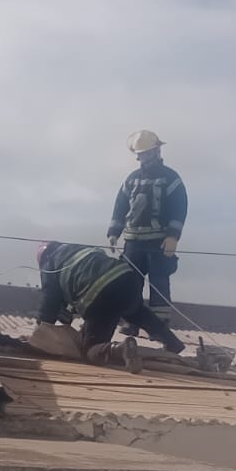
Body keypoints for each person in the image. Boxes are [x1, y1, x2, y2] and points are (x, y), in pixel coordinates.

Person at [34, 241, 185, 368]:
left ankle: (120, 349)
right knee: (138, 313)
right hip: (127, 279)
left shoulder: (50, 263)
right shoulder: (78, 248)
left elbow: (50, 300)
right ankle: (172, 342)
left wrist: (41, 328)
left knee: (90, 351)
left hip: (101, 294)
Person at [107, 129, 187, 338]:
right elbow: (120, 205)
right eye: (141, 154)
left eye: (148, 153)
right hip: (133, 242)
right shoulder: (132, 179)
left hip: (158, 242)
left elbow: (179, 208)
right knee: (130, 282)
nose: (144, 158)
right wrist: (114, 231)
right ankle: (131, 322)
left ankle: (158, 327)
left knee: (159, 282)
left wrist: (173, 236)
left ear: (157, 151)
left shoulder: (171, 178)